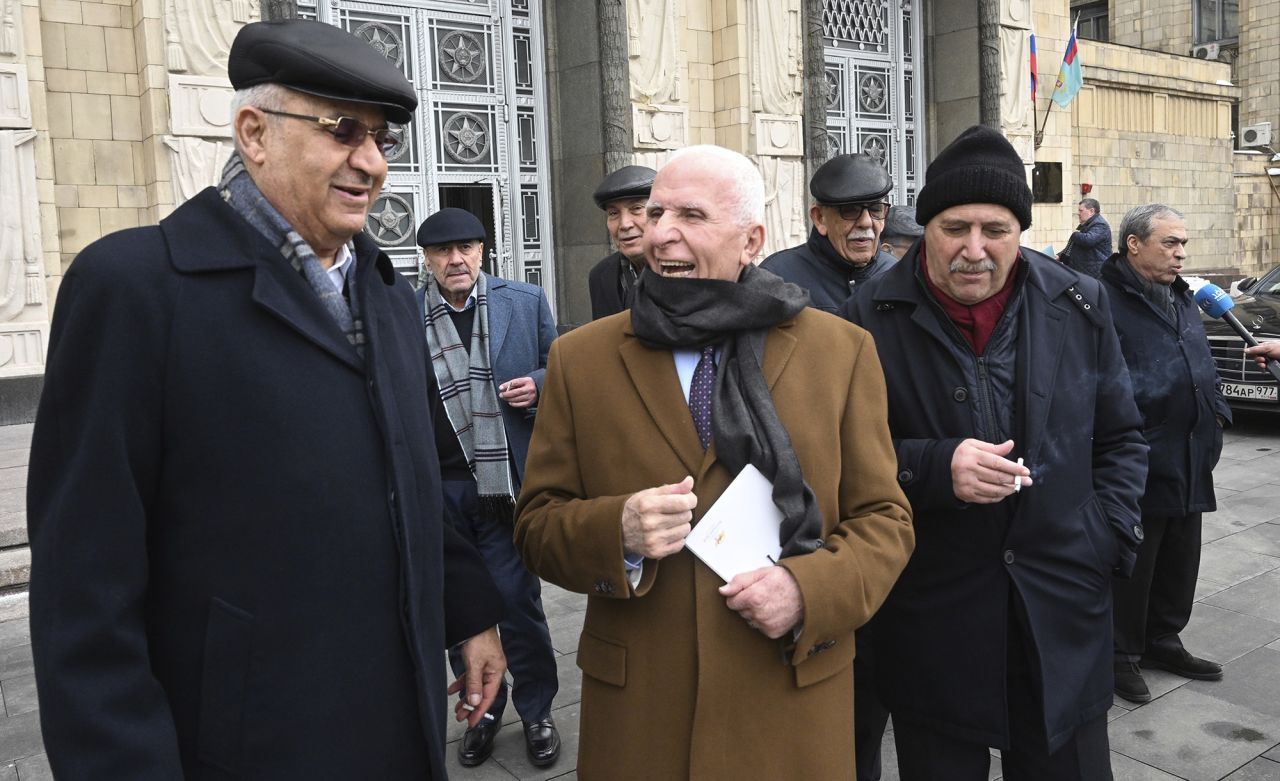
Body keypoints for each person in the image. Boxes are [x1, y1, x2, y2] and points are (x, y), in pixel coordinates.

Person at [26, 19, 506, 780]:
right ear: (254, 133)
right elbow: (83, 596)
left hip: (400, 735)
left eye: (382, 138)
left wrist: (469, 609)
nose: (373, 164)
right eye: (344, 131)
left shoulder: (385, 295)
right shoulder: (135, 290)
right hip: (251, 747)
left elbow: (426, 472)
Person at [514, 145, 915, 778]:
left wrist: (808, 591)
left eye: (691, 215)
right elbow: (536, 524)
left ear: (751, 238)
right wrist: (615, 530)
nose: (659, 233)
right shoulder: (580, 360)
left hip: (789, 700)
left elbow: (885, 519)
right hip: (644, 710)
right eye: (656, 212)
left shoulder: (840, 353)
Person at [843, 125, 1148, 781]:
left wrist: (1110, 534)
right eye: (955, 227)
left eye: (995, 229)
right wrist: (931, 466)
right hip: (933, 615)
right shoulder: (865, 315)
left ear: (1020, 230)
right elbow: (838, 458)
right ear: (926, 226)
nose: (974, 250)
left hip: (1062, 608)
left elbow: (1121, 436)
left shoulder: (1079, 300)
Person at [416, 207, 562, 768]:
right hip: (441, 487)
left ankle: (537, 709)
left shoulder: (522, 302)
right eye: (443, 251)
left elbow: (563, 366)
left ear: (482, 252)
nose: (456, 260)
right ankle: (483, 709)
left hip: (504, 486)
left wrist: (543, 384)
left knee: (518, 603)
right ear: (426, 258)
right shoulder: (406, 313)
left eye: (467, 248)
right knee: (462, 609)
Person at [1100, 204, 1230, 703]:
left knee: (1180, 557)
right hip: (1141, 458)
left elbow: (1200, 360)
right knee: (1135, 562)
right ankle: (1120, 654)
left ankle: (1162, 639)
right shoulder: (1100, 298)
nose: (1181, 253)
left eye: (1183, 244)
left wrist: (1218, 413)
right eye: (1170, 243)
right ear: (1134, 244)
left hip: (1193, 453)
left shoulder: (1182, 296)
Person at [760, 153, 897, 312]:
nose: (866, 222)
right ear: (819, 218)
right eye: (850, 211)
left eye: (875, 210)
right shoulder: (777, 279)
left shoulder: (898, 275)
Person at [587, 165, 656, 319]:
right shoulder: (600, 276)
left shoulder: (687, 270)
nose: (624, 224)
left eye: (636, 208)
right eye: (613, 213)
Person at [1059, 198, 1112, 278]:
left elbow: (1088, 240)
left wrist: (1075, 234)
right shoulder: (1087, 224)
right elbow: (1074, 246)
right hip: (1085, 272)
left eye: (1081, 211)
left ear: (1091, 211)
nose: (1078, 214)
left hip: (1096, 274)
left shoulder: (1100, 224)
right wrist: (1060, 256)